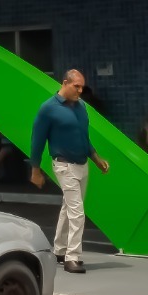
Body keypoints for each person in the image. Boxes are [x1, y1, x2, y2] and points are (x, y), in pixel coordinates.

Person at [30, 69, 109, 273]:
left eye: (82, 87)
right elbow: (37, 140)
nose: (80, 91)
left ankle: (59, 249)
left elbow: (84, 137)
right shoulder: (48, 108)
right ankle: (72, 257)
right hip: (64, 165)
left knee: (69, 207)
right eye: (76, 86)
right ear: (65, 83)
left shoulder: (81, 106)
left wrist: (96, 158)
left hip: (82, 164)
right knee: (77, 212)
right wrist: (35, 169)